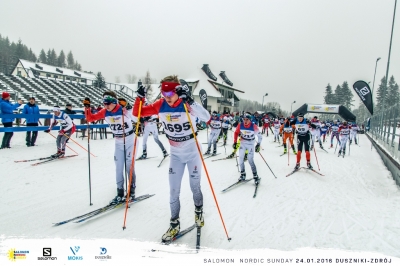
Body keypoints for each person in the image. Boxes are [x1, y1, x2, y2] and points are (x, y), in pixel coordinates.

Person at [132, 75, 210, 243]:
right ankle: (174, 224)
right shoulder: (160, 105)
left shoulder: (185, 104)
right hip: (175, 154)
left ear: (177, 91)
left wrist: (190, 101)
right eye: (163, 93)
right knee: (173, 191)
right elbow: (137, 113)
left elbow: (206, 117)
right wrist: (139, 99)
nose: (166, 97)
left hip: (192, 152)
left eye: (170, 94)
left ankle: (198, 212)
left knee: (194, 187)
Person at [84, 92, 139, 204]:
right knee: (118, 167)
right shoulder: (104, 112)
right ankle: (119, 193)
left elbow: (137, 117)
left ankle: (132, 191)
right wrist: (87, 108)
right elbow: (90, 119)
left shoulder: (123, 109)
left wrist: (130, 108)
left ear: (114, 102)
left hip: (130, 139)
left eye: (108, 103)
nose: (106, 106)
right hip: (118, 141)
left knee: (129, 165)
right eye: (104, 103)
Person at [232, 112, 262, 183]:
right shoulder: (240, 125)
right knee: (241, 159)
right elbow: (236, 133)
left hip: (250, 143)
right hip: (243, 143)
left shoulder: (254, 126)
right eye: (244, 119)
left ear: (250, 120)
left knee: (250, 159)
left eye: (247, 120)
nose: (245, 121)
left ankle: (255, 176)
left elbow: (260, 136)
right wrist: (235, 142)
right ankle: (243, 174)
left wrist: (258, 144)